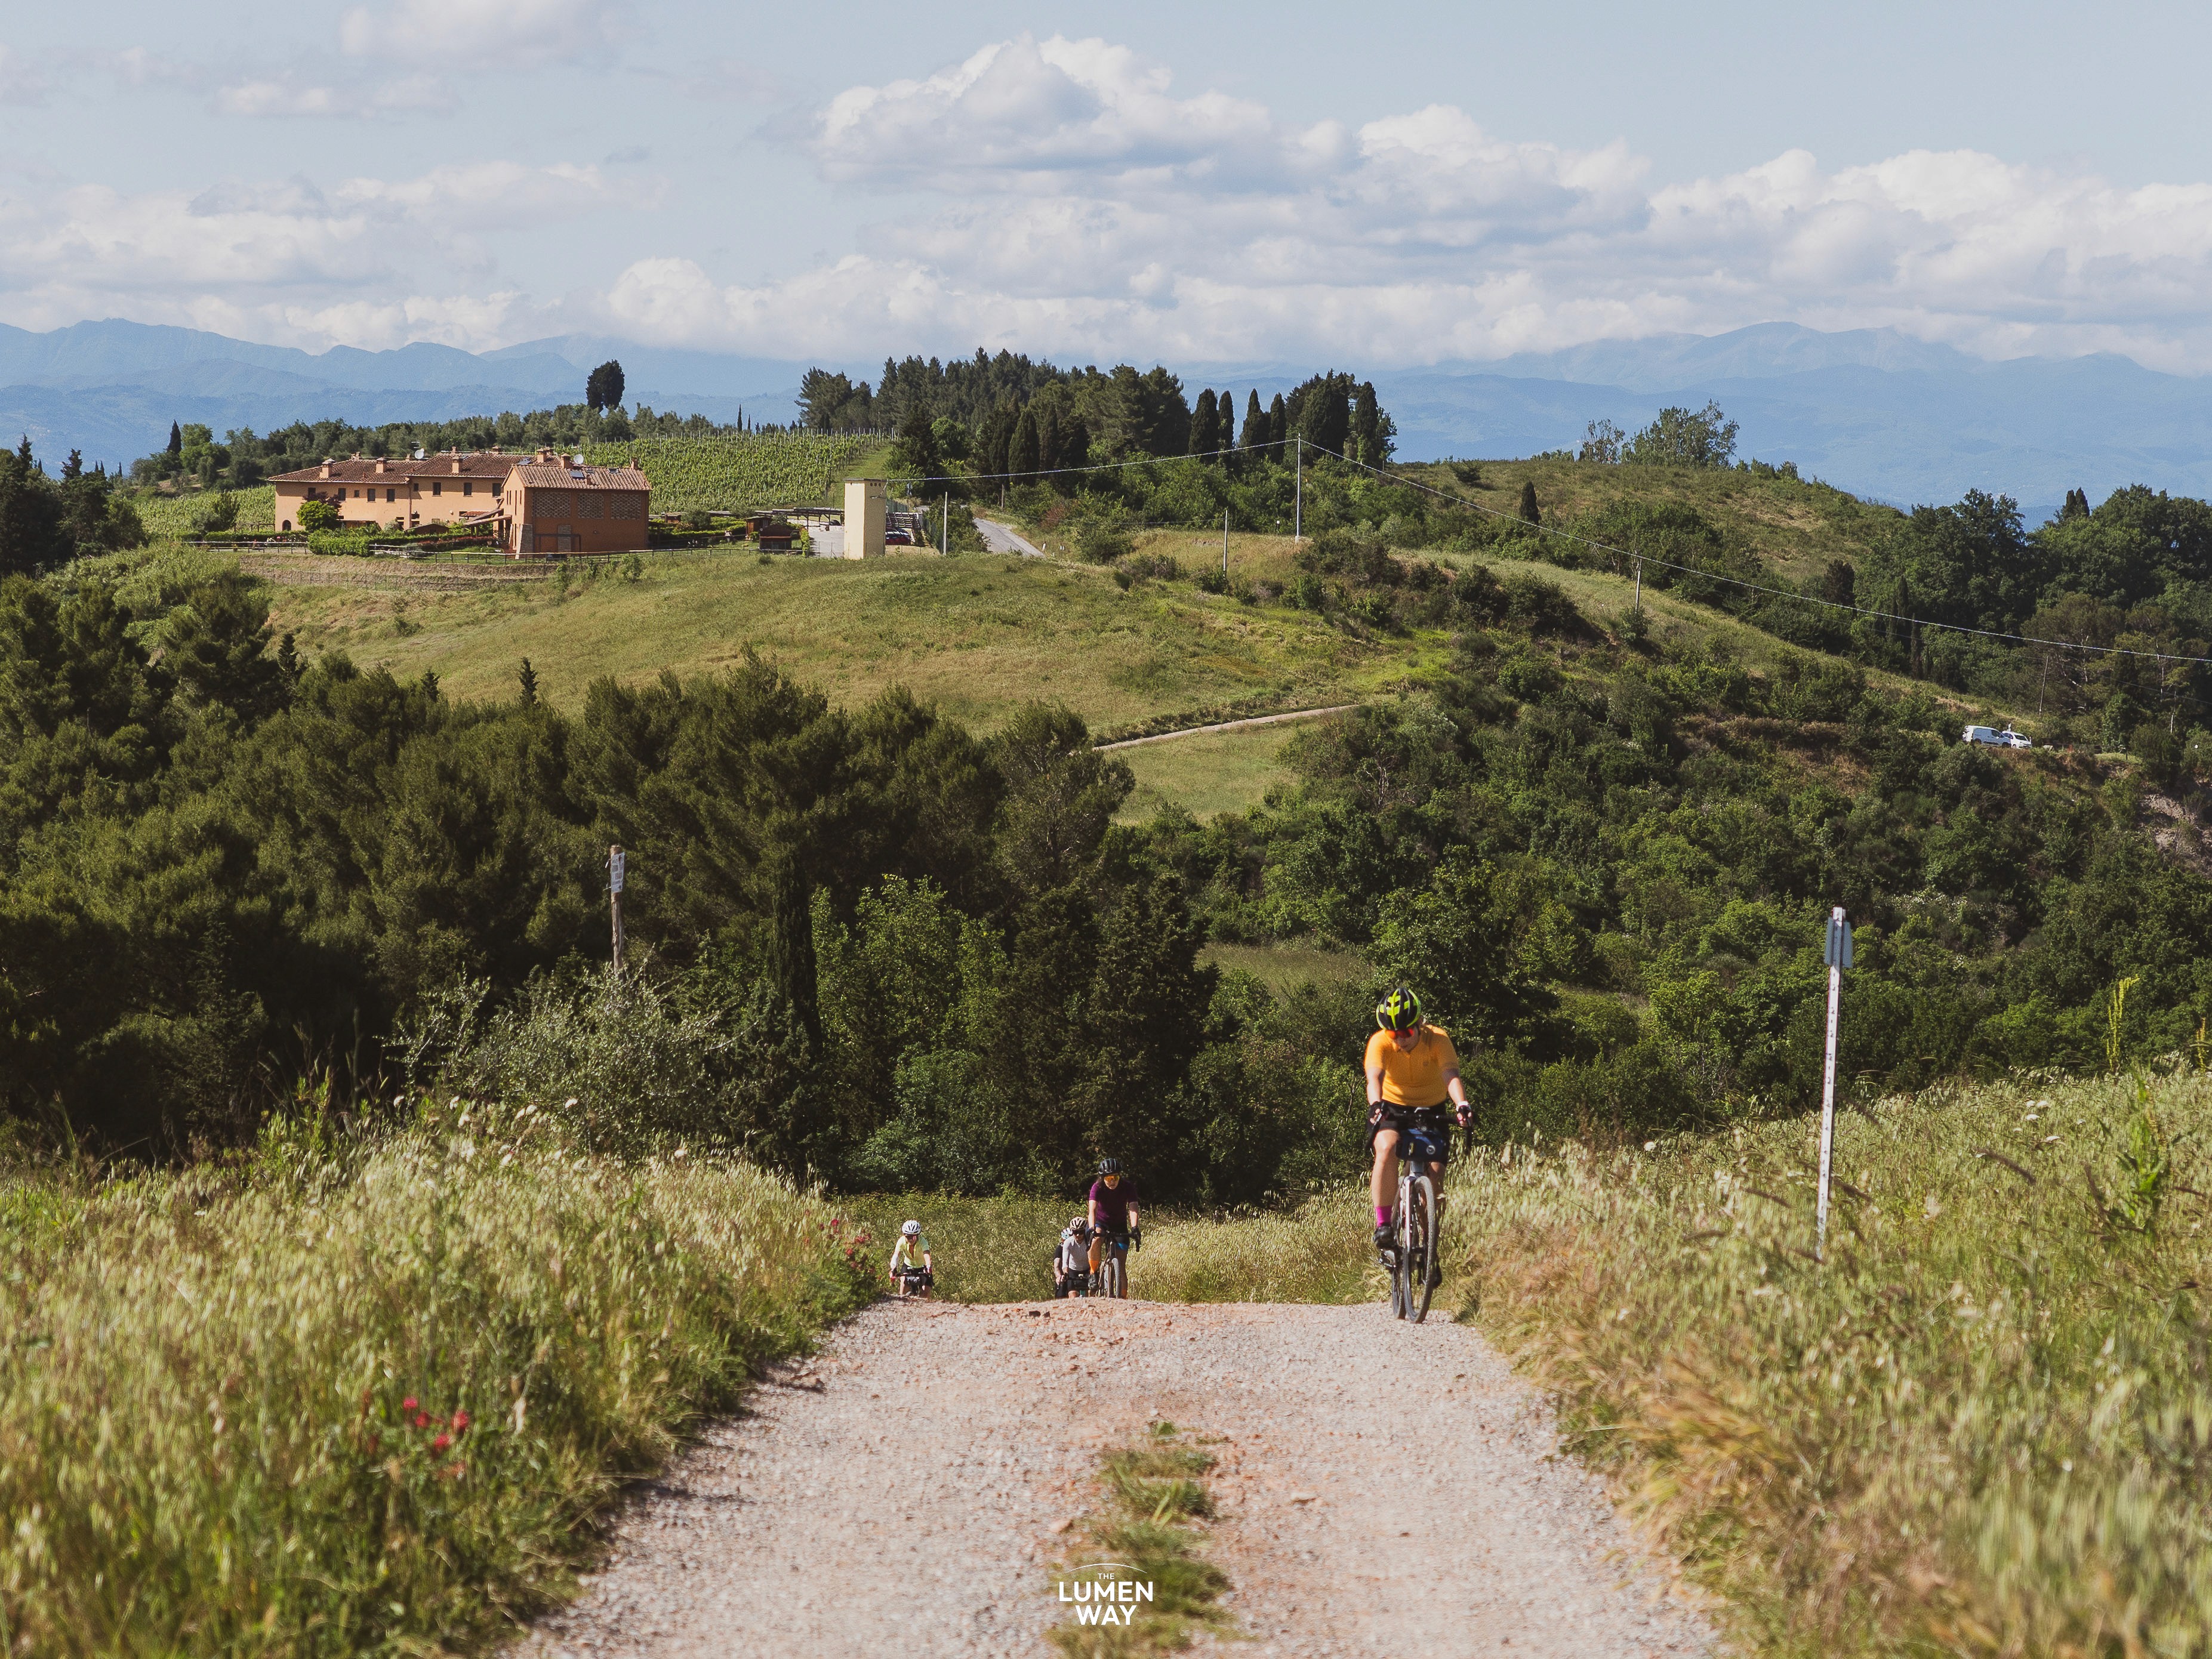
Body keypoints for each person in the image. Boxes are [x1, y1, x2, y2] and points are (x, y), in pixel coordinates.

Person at [1366, 988, 1472, 1256]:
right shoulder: (1379, 1043)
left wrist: (1461, 1104)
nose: (1399, 1039)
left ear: (1420, 1023)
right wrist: (1376, 1105)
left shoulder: (1438, 1039)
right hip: (1392, 1107)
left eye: (1406, 1033)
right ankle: (1383, 1224)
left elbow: (1450, 1075)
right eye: (1393, 1033)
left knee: (1434, 1178)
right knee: (1387, 1149)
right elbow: (1374, 1079)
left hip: (1431, 1109)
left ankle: (1429, 1245)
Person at [1087, 1158, 1141, 1293]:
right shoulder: (1097, 1187)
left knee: (1121, 1266)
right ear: (1103, 1178)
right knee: (1097, 1239)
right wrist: (1092, 1228)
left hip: (1119, 1225)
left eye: (1115, 1177)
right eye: (1109, 1178)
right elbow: (1092, 1210)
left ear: (1120, 1176)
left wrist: (1134, 1228)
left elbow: (1133, 1208)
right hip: (1101, 1222)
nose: (1113, 1181)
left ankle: (1123, 1299)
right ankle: (1093, 1271)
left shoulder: (1128, 1187)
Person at [889, 1218, 934, 1298]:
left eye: (913, 1237)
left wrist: (928, 1267)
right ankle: (901, 1305)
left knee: (926, 1291)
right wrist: (893, 1268)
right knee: (903, 1284)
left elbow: (927, 1255)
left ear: (917, 1236)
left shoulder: (923, 1242)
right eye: (908, 1237)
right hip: (908, 1265)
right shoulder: (901, 1241)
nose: (911, 1240)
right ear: (904, 1236)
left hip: (922, 1267)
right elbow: (896, 1255)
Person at [1052, 1214, 1092, 1297]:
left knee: (1091, 1293)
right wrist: (1066, 1273)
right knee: (1072, 1295)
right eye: (1075, 1232)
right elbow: (1065, 1262)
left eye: (1081, 1232)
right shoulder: (1068, 1243)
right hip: (1073, 1270)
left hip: (1088, 1269)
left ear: (1085, 1231)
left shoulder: (1089, 1241)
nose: (1078, 1235)